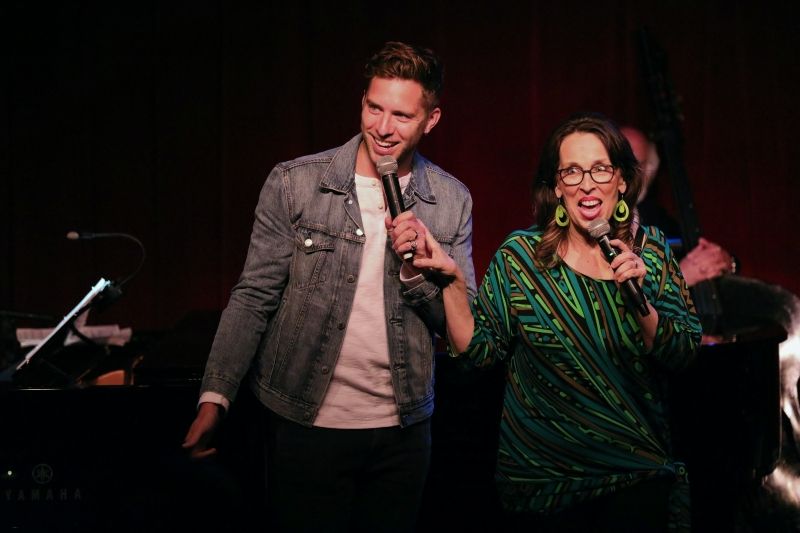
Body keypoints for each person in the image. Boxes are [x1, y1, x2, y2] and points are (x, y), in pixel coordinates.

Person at [182, 41, 476, 533]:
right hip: (303, 422)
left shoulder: (449, 200)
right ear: (362, 101)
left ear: (432, 120)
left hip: (402, 430)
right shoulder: (295, 183)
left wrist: (419, 270)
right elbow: (253, 297)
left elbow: (460, 332)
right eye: (373, 108)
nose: (383, 128)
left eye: (401, 116)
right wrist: (215, 397)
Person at [410, 111, 702, 532]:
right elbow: (478, 353)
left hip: (635, 479)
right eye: (572, 171)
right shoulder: (522, 258)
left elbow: (684, 353)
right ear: (557, 187)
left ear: (622, 181)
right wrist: (453, 280)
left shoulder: (650, 253)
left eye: (600, 169)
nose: (586, 183)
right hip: (544, 485)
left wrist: (644, 305)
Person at [620, 126, 736, 287]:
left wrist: (725, 262)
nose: (626, 175)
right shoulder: (587, 222)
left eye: (637, 165)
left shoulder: (659, 219)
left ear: (649, 171)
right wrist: (678, 281)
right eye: (619, 163)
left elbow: (695, 258)